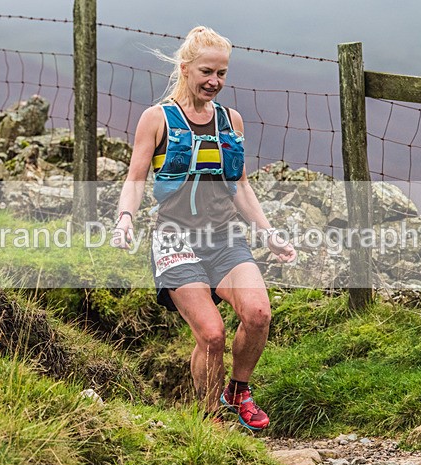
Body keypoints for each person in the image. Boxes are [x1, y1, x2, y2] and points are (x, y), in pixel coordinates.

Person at [111, 26, 296, 431]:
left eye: (222, 73)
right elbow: (135, 179)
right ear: (185, 68)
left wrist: (268, 233)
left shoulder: (231, 121)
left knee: (259, 313)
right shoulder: (156, 119)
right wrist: (125, 218)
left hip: (226, 238)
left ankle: (238, 391)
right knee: (211, 335)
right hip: (175, 239)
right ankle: (210, 419)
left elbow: (241, 185)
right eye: (207, 72)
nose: (215, 81)